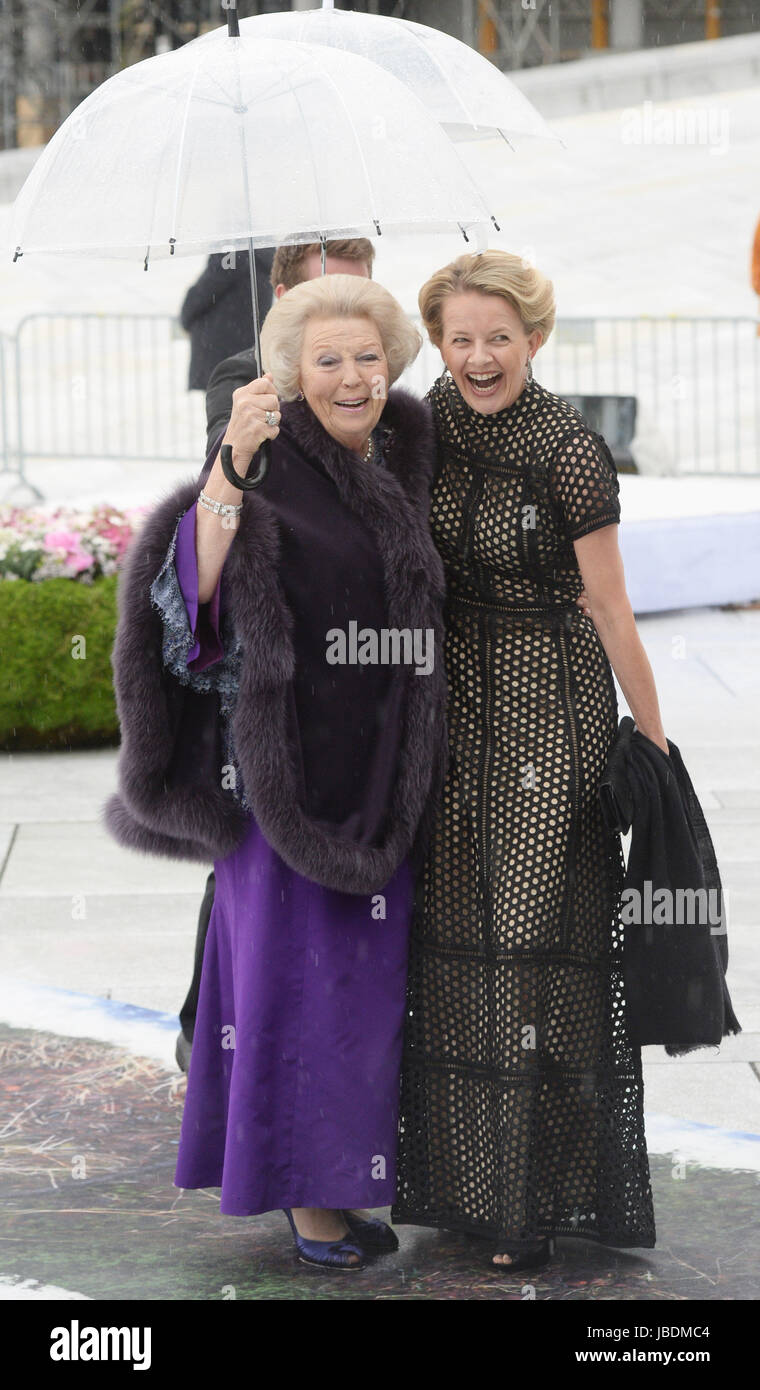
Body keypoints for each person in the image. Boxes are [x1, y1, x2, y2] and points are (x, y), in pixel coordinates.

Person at [104, 273, 447, 1269]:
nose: (352, 377)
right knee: (298, 990)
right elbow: (190, 607)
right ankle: (304, 1198)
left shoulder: (396, 459)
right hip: (284, 784)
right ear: (291, 374)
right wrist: (226, 466)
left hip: (380, 773)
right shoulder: (258, 465)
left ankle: (333, 1177)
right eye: (328, 360)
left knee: (356, 994)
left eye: (368, 358)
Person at [390, 250, 665, 1268]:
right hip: (450, 710)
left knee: (531, 955)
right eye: (459, 337)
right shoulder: (421, 423)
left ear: (535, 339)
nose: (476, 356)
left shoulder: (568, 450)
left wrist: (654, 735)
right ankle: (463, 1185)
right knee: (454, 947)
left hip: (552, 707)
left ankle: (533, 1201)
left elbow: (608, 603)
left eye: (496, 336)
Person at [176, 236, 376, 1075]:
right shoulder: (246, 378)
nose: (346, 312)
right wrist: (252, 429)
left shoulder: (375, 376)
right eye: (326, 295)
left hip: (363, 681)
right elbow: (222, 499)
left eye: (362, 295)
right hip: (273, 675)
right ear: (282, 294)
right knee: (253, 868)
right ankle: (207, 1029)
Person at [205, 237, 376, 449]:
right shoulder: (245, 373)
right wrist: (250, 433)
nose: (348, 308)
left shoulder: (375, 366)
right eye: (328, 293)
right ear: (286, 298)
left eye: (360, 293)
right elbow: (221, 464)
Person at [180, 248, 276, 391]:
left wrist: (186, 317)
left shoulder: (230, 252)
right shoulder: (265, 254)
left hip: (221, 355)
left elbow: (203, 293)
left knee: (224, 407)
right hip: (250, 353)